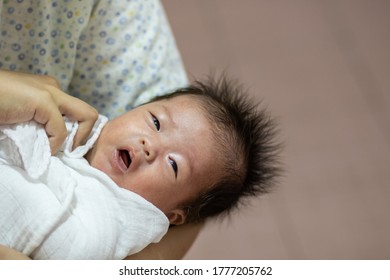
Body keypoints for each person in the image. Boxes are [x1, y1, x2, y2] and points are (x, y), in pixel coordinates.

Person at [0, 74, 281, 259]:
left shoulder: (110, 225)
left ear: (173, 215)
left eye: (173, 165)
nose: (150, 145)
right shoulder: (69, 120)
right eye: (156, 122)